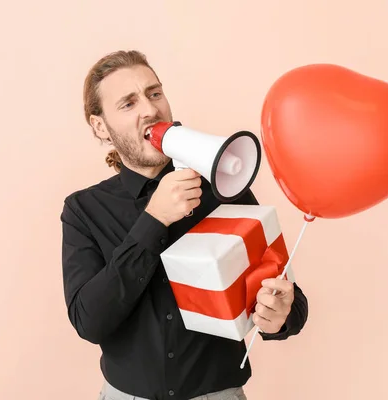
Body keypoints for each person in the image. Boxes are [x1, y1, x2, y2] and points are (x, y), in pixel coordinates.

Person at [60, 50, 309, 400]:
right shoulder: (84, 210)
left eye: (154, 93)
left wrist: (282, 314)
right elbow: (89, 320)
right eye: (128, 103)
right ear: (100, 126)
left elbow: (290, 300)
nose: (149, 109)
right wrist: (153, 221)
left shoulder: (223, 188)